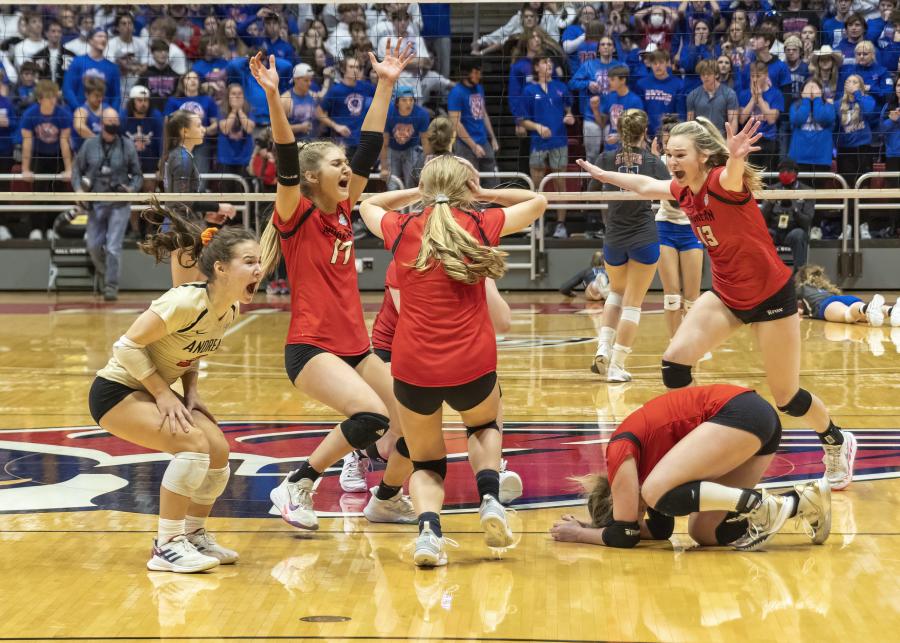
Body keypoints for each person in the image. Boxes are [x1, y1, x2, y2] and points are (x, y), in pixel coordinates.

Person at [575, 116, 858, 491]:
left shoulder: (721, 181)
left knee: (787, 397)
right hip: (727, 295)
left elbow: (733, 175)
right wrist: (604, 174)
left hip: (771, 296)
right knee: (675, 364)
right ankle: (697, 442)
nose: (672, 162)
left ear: (703, 155)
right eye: (670, 155)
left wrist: (737, 156)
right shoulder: (683, 190)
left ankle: (837, 440)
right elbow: (645, 184)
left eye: (680, 155)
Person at [251, 42, 421, 531]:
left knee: (415, 419)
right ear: (309, 178)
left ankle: (386, 499)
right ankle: (296, 485)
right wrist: (274, 99)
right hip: (311, 348)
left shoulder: (345, 208)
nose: (347, 168)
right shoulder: (296, 213)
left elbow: (369, 144)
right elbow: (285, 158)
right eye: (335, 165)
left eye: (345, 164)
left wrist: (385, 83)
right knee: (370, 416)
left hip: (356, 347)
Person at [357, 154, 548, 567]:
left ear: (425, 189)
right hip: (471, 362)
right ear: (467, 189)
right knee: (482, 425)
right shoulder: (481, 224)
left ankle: (429, 533)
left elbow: (367, 204)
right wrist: (485, 193)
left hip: (414, 367)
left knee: (427, 461)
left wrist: (419, 196)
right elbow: (537, 201)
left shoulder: (402, 226)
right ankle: (491, 499)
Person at [88, 205, 261, 572]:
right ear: (221, 268)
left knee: (218, 451)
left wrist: (191, 392)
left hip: (150, 389)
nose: (259, 270)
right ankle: (166, 545)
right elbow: (125, 346)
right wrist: (165, 394)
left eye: (259, 261)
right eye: (249, 262)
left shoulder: (227, 310)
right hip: (116, 391)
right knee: (194, 447)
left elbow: (192, 350)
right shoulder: (184, 301)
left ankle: (194, 533)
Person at [549, 385, 831, 551]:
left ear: (615, 497)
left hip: (741, 412)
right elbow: (661, 530)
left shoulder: (620, 457)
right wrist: (592, 527)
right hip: (755, 424)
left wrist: (579, 534)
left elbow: (622, 535)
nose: (639, 518)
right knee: (705, 532)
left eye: (634, 515)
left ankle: (761, 505)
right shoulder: (647, 479)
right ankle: (801, 502)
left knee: (656, 491)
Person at [590, 109, 668, 382]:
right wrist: (657, 159)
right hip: (644, 237)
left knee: (615, 294)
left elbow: (589, 192)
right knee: (633, 304)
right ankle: (616, 366)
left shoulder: (606, 158)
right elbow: (674, 194)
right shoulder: (651, 161)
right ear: (645, 132)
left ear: (620, 131)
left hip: (614, 237)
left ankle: (602, 348)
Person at [72, 107, 143, 301]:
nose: (113, 125)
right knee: (93, 246)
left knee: (113, 246)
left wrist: (131, 189)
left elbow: (138, 175)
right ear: (102, 123)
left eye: (116, 122)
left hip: (119, 203)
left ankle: (111, 285)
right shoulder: (89, 145)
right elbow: (76, 170)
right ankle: (104, 271)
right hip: (96, 202)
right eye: (109, 122)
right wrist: (78, 189)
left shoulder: (127, 145)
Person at [160, 110, 237, 286]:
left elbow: (181, 201)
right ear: (184, 131)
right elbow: (182, 200)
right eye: (198, 125)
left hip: (188, 227)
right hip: (183, 231)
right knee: (184, 292)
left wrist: (204, 215)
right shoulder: (181, 158)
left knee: (201, 289)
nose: (203, 129)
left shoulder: (182, 156)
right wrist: (218, 207)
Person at [652, 115, 704, 339]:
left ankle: (690, 343)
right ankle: (674, 344)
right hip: (665, 227)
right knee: (671, 295)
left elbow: (678, 198)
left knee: (692, 297)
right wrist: (655, 160)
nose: (668, 150)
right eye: (664, 144)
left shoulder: (692, 163)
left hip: (691, 229)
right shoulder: (661, 162)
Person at [518, 54, 574, 239]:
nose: (548, 64)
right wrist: (538, 127)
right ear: (536, 68)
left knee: (560, 184)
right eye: (544, 61)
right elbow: (523, 121)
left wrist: (569, 117)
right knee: (536, 185)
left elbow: (569, 111)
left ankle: (560, 225)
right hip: (538, 143)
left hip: (559, 140)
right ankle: (536, 224)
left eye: (550, 62)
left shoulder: (561, 87)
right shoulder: (528, 90)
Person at [20, 79, 73, 240]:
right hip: (39, 155)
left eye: (54, 97)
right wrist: (25, 169)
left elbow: (65, 142)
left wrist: (69, 168)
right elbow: (27, 142)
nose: (53, 101)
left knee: (56, 194)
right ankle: (36, 228)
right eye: (49, 97)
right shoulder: (30, 114)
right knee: (38, 193)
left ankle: (53, 228)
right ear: (40, 99)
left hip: (56, 155)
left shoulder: (62, 114)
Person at [796, 264, 899, 327]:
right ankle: (892, 310)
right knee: (866, 317)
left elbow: (792, 306)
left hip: (826, 305)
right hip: (846, 299)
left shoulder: (801, 288)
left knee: (848, 314)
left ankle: (867, 308)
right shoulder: (827, 290)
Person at [448, 58, 499, 184]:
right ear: (466, 73)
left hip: (483, 141)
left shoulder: (479, 88)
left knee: (493, 183)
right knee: (470, 184)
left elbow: (483, 113)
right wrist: (473, 146)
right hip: (465, 145)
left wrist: (492, 137)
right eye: (476, 72)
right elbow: (456, 124)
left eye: (479, 72)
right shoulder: (456, 93)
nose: (479, 75)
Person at [761, 159, 813, 270]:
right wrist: (771, 203)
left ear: (796, 173)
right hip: (775, 230)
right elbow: (761, 219)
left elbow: (807, 221)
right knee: (763, 234)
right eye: (781, 171)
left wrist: (794, 209)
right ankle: (764, 271)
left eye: (788, 170)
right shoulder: (772, 189)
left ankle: (799, 273)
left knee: (797, 235)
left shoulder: (807, 191)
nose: (785, 173)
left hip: (794, 229)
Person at [380, 85, 430, 189]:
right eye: (404, 100)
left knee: (411, 183)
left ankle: (410, 205)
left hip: (411, 149)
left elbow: (425, 141)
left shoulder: (422, 114)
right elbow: (384, 142)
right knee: (392, 183)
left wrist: (428, 163)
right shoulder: (387, 113)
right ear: (397, 102)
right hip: (392, 149)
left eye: (411, 100)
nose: (408, 103)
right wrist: (384, 167)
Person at [686, 58, 739, 136]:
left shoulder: (730, 94)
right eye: (703, 74)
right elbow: (690, 122)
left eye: (709, 74)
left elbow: (733, 121)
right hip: (700, 139)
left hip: (721, 139)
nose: (705, 77)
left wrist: (729, 142)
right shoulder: (693, 95)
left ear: (716, 74)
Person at [281, 63, 320, 142]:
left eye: (311, 80)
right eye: (306, 80)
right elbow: (277, 128)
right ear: (296, 79)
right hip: (292, 146)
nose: (309, 83)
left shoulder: (314, 96)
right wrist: (299, 128)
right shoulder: (285, 100)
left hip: (312, 144)